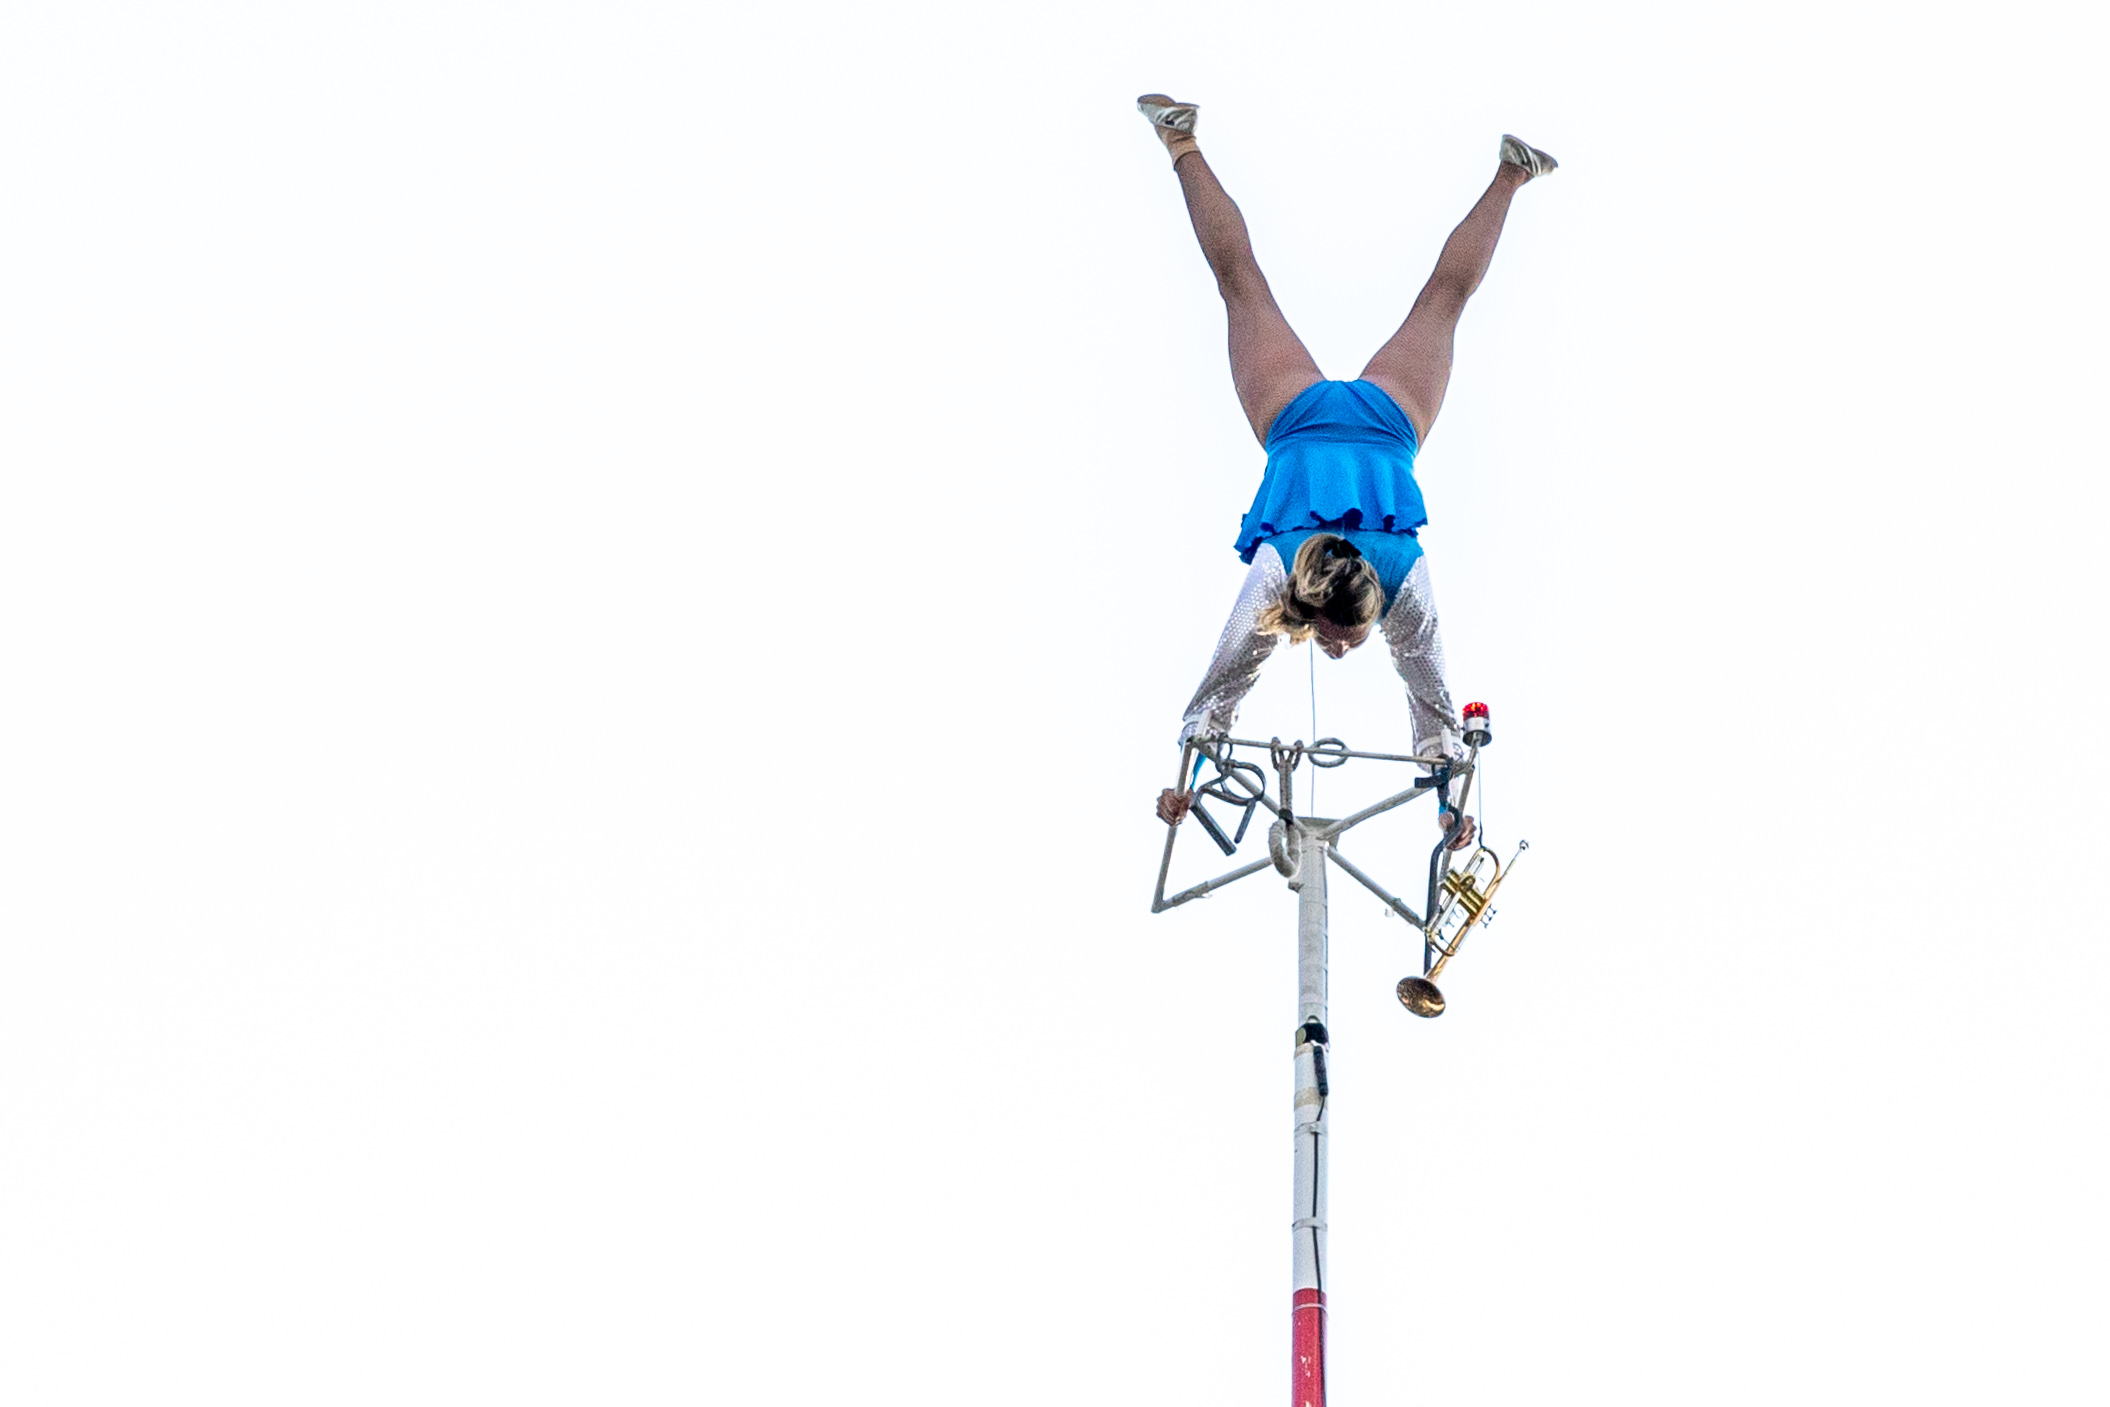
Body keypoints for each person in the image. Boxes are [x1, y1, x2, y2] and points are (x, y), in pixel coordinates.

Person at [1139, 95, 1556, 848]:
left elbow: (1226, 684)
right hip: (1366, 423)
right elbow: (1427, 699)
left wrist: (1190, 778)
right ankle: (1180, 142)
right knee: (1399, 298)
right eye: (1347, 641)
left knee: (1258, 286)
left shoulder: (1294, 575)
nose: (1336, 651)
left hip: (1329, 421)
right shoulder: (1366, 579)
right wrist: (1446, 803)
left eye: (1336, 640)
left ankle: (1512, 173)